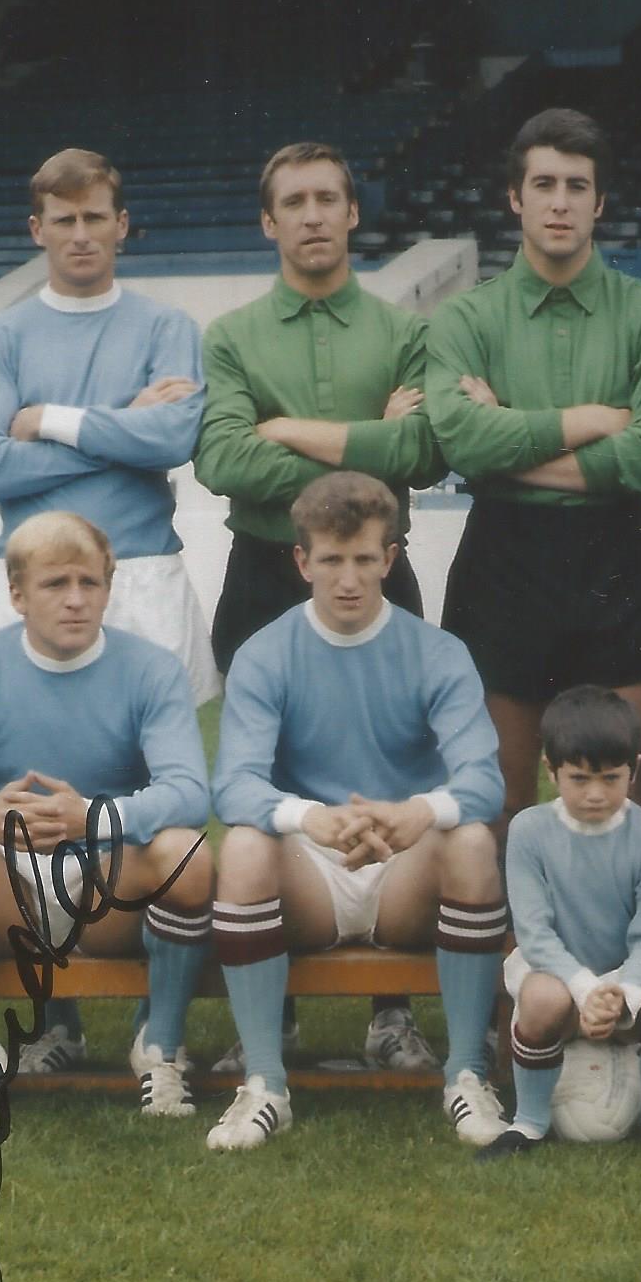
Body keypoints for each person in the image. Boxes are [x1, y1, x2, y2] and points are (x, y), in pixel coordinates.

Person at [194, 140, 447, 1075]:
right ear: (268, 221)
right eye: (291, 201)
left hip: (383, 572)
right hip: (262, 569)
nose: (309, 215)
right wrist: (365, 442)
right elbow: (223, 458)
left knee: (389, 760)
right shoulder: (230, 338)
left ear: (352, 213)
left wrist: (292, 431)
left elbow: (426, 451)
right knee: (266, 780)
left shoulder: (403, 328)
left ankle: (392, 1007)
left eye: (326, 199)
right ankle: (276, 1009)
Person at [205, 472, 508, 1151]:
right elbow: (233, 787)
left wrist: (419, 811)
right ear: (302, 560)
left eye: (365, 559)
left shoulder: (437, 653)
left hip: (405, 866)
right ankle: (263, 1084)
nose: (348, 579)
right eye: (332, 560)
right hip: (314, 867)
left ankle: (466, 1074)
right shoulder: (266, 652)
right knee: (247, 846)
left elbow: (484, 782)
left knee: (471, 842)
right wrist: (308, 817)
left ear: (390, 558)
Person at [0, 510, 215, 1123]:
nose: (75, 600)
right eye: (55, 584)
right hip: (7, 887)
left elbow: (190, 793)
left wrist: (92, 815)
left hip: (104, 882)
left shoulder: (152, 668)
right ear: (16, 594)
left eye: (90, 583)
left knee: (186, 853)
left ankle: (160, 1048)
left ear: (109, 589)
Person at [425, 108, 641, 835]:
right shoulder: (464, 319)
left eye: (577, 185)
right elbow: (460, 445)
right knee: (502, 801)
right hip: (502, 562)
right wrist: (598, 420)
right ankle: (514, 950)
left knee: (625, 802)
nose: (560, 200)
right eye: (543, 183)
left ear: (599, 202)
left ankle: (625, 950)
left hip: (617, 556)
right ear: (515, 197)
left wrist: (507, 453)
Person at [0, 147, 219, 704]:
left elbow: (173, 440)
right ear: (38, 229)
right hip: (36, 580)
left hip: (143, 573)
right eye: (65, 220)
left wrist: (51, 421)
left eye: (95, 217)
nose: (81, 235)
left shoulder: (166, 328)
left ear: (121, 224)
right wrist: (126, 425)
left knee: (161, 773)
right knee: (33, 768)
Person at [476, 685, 641, 1162]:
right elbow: (535, 935)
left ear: (635, 769)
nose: (596, 793)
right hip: (558, 976)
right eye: (579, 778)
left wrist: (621, 992)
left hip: (628, 978)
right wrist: (584, 990)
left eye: (611, 778)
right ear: (550, 770)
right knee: (540, 997)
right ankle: (529, 1122)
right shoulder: (529, 830)